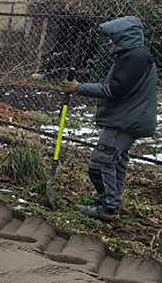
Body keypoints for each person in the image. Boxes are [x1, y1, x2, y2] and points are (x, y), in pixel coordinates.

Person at [61, 15, 158, 221]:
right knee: (116, 162)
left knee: (101, 162)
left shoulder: (134, 59)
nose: (110, 42)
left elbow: (114, 89)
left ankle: (107, 207)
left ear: (125, 37)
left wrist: (79, 88)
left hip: (126, 121)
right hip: (131, 117)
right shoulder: (136, 56)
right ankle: (109, 202)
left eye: (113, 38)